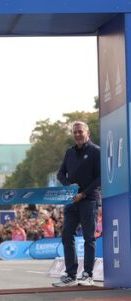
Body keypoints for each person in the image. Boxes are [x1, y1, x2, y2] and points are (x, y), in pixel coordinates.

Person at [52, 121, 101, 287]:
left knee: (89, 237)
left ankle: (88, 274)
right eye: (75, 132)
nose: (77, 135)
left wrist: (83, 193)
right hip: (71, 201)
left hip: (89, 199)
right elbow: (60, 174)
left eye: (80, 131)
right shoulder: (69, 152)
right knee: (66, 235)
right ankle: (71, 275)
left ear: (87, 132)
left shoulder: (95, 151)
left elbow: (99, 178)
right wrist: (69, 188)